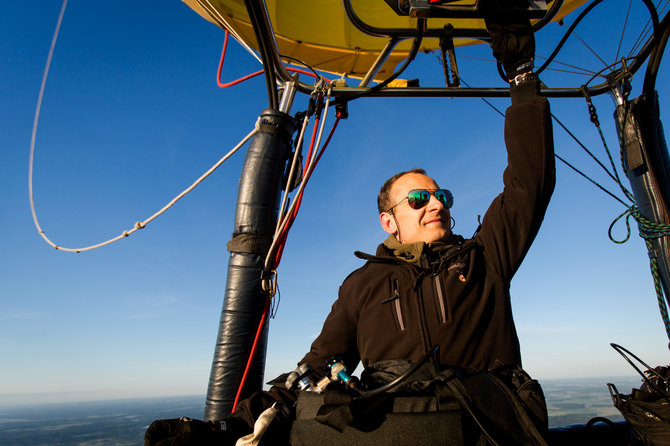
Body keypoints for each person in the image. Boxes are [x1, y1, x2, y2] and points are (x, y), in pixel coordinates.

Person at [145, 11, 555, 446]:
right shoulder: (363, 285)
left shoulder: (483, 257)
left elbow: (529, 184)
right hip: (396, 426)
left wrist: (522, 78)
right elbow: (316, 366)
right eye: (418, 199)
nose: (436, 204)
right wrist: (229, 426)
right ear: (388, 220)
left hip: (477, 426)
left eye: (442, 197)